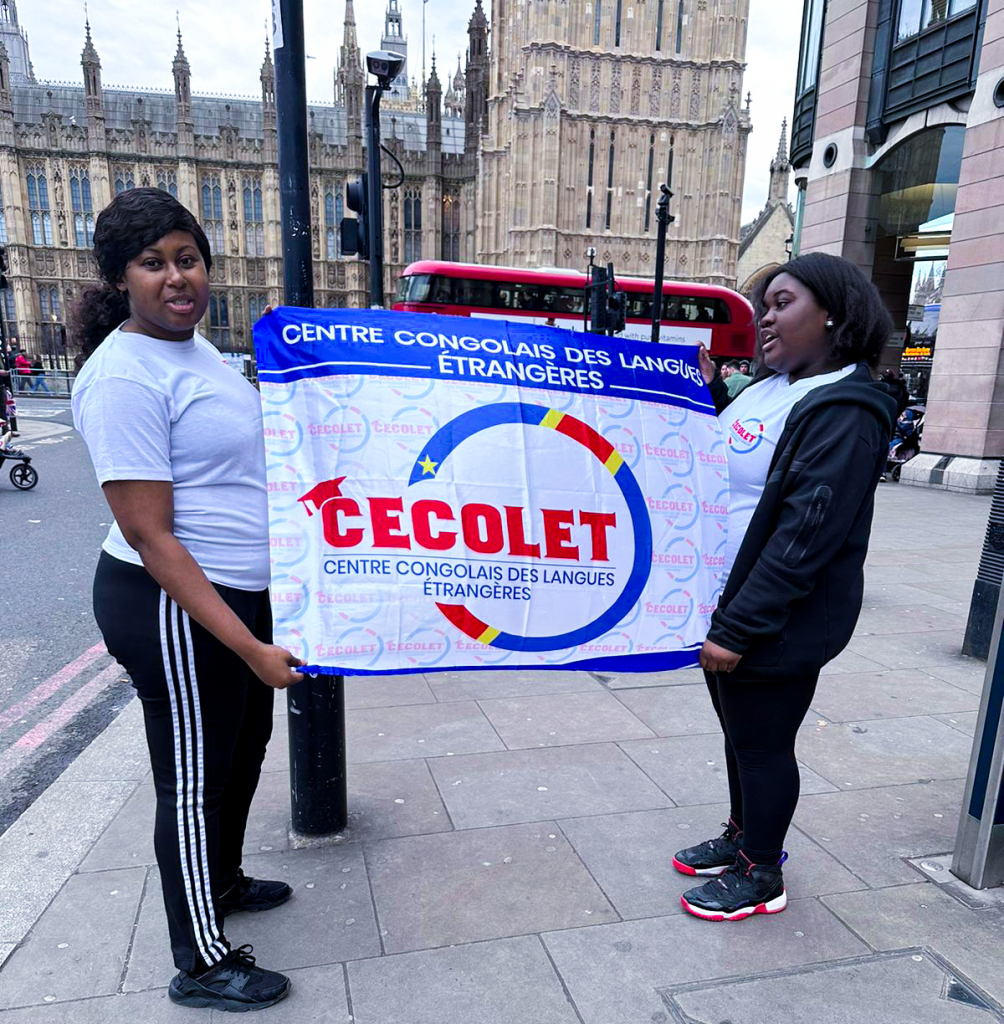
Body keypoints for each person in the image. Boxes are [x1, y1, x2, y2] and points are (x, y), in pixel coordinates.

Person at [69, 187, 303, 1011]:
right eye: (153, 263)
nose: (177, 277)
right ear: (120, 278)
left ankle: (223, 880)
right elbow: (150, 536)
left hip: (235, 590)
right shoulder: (122, 377)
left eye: (188, 258)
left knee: (241, 749)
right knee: (195, 778)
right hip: (170, 602)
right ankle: (200, 962)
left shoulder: (197, 351)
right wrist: (250, 647)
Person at [674, 252, 895, 921]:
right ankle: (742, 835)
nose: (764, 318)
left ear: (832, 313)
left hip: (776, 616)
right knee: (738, 735)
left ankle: (762, 872)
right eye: (763, 306)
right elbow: (738, 464)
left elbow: (806, 534)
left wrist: (739, 627)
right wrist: (712, 395)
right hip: (725, 600)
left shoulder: (846, 409)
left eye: (782, 303)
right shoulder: (771, 387)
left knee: (763, 744)